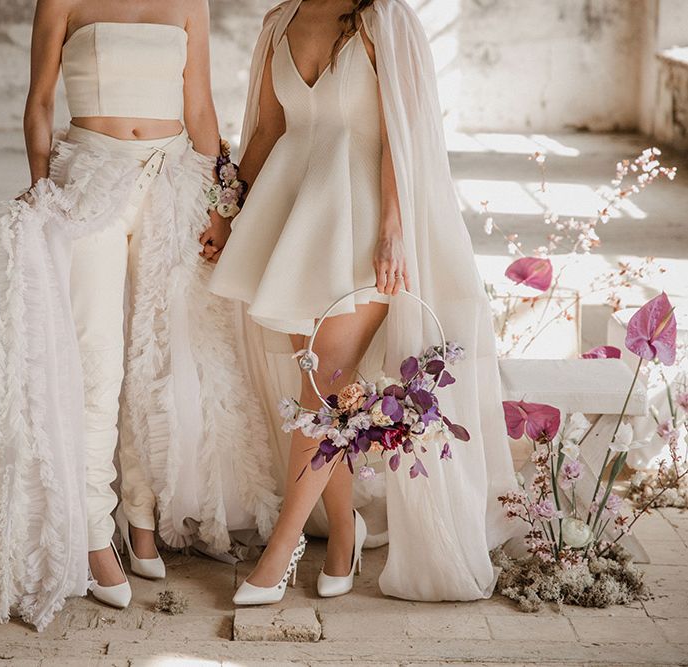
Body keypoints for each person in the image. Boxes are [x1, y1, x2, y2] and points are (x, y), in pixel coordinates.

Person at [0, 0, 278, 630]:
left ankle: (141, 514)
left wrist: (219, 206)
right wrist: (41, 182)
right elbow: (40, 103)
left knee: (156, 358)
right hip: (89, 183)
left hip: (170, 185)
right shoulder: (62, 1)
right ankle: (91, 534)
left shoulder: (191, 4)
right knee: (98, 358)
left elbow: (201, 109)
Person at [209, 0, 517, 605]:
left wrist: (394, 230)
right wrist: (228, 210)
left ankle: (281, 552)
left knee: (323, 383)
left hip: (364, 220)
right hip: (292, 220)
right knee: (324, 388)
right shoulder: (279, 23)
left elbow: (404, 133)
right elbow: (270, 132)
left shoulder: (386, 22)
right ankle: (345, 537)